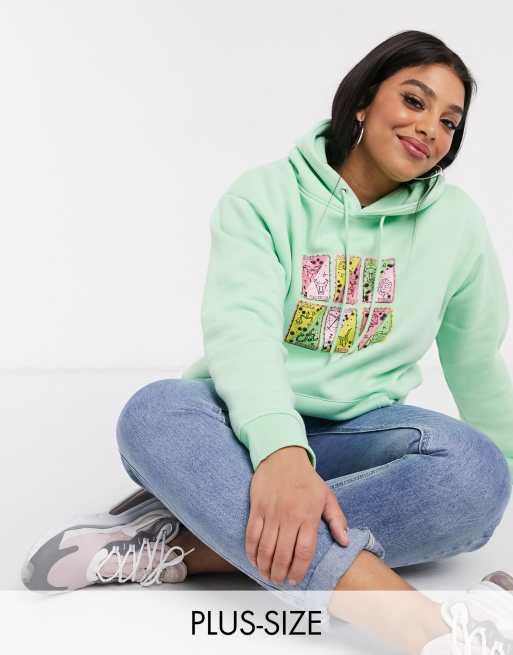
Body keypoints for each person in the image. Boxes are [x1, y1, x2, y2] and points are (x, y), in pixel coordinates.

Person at [21, 29, 513, 654]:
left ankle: (183, 542)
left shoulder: (457, 225)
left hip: (358, 438)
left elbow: (477, 363)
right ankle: (429, 630)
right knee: (155, 411)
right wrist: (280, 452)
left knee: (477, 474)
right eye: (414, 101)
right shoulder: (264, 196)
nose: (429, 129)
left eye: (449, 121)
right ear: (364, 100)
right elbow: (242, 333)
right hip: (238, 428)